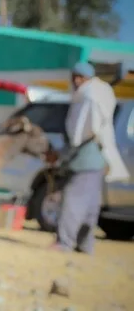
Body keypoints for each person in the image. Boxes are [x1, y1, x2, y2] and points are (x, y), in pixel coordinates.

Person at [48, 62, 130, 254]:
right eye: (74, 76)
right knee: (90, 205)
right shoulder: (97, 92)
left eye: (80, 77)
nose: (76, 81)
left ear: (87, 78)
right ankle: (85, 245)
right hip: (96, 157)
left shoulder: (89, 96)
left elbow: (82, 133)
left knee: (73, 201)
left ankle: (65, 243)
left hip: (86, 157)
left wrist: (63, 153)